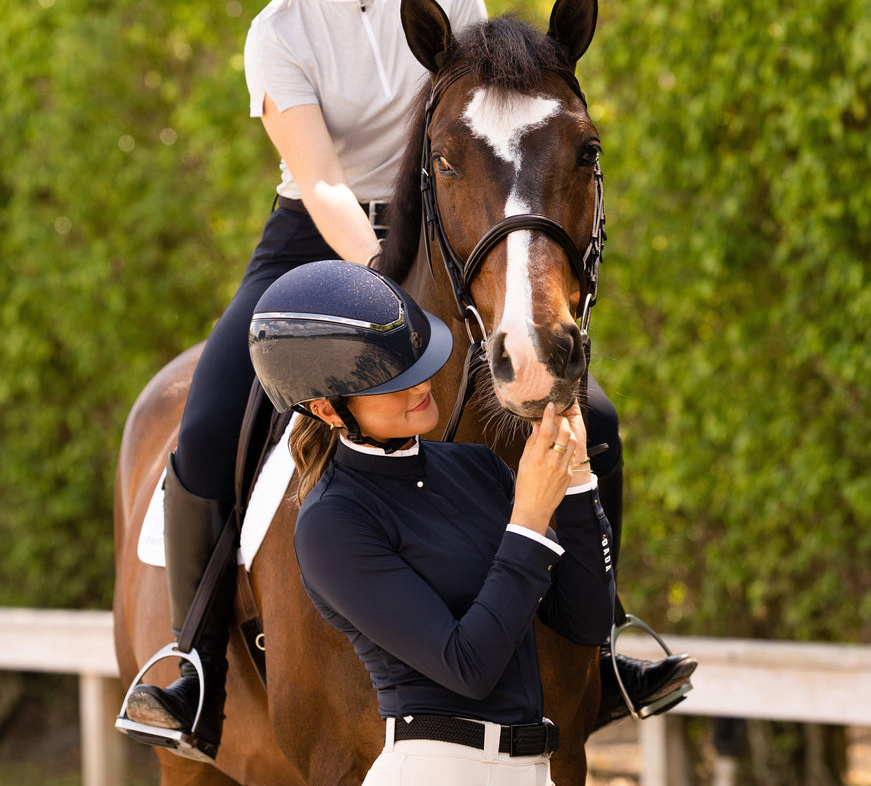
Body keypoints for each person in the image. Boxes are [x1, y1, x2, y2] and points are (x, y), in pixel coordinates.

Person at [119, 0, 692, 763]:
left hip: (453, 222)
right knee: (209, 415)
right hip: (316, 239)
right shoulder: (277, 34)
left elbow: (490, 125)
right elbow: (324, 181)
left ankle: (606, 640)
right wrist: (379, 279)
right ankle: (193, 660)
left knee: (586, 406)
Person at [249, 260, 613, 785]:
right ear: (327, 410)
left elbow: (586, 622)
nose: (419, 384)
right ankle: (197, 658)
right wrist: (530, 516)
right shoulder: (332, 522)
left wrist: (575, 481)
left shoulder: (478, 467)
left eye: (415, 363)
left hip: (535, 770)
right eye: (389, 380)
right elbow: (468, 666)